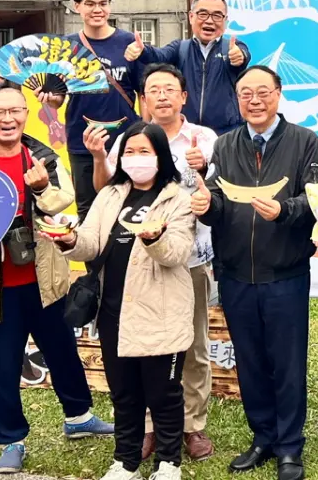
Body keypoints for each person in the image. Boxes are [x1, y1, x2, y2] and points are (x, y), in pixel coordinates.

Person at [0, 84, 113, 473]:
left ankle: (79, 417)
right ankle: (10, 439)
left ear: (25, 114)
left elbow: (63, 201)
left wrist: (40, 188)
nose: (8, 119)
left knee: (62, 351)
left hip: (45, 278)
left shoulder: (43, 156)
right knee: (1, 366)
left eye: (15, 111)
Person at [190, 65, 318, 480]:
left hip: (285, 272)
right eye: (246, 93)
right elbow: (216, 200)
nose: (254, 100)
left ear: (279, 94)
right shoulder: (226, 145)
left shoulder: (305, 142)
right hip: (234, 274)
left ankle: (289, 447)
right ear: (238, 99)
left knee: (286, 363)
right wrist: (206, 206)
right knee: (249, 361)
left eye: (263, 91)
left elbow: (317, 200)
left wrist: (286, 210)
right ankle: (262, 437)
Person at [45, 121, 197, 480]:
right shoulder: (111, 194)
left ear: (160, 156)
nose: (136, 158)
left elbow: (176, 253)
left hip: (161, 311)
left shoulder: (178, 198)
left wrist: (154, 238)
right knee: (124, 392)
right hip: (114, 310)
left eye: (145, 151)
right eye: (130, 151)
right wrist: (68, 240)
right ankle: (125, 460)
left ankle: (168, 462)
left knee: (164, 393)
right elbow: (91, 242)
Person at [90, 63, 219, 463]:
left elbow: (217, 197)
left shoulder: (205, 138)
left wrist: (201, 170)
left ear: (183, 96)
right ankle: (148, 428)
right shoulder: (127, 138)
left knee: (189, 344)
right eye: (153, 90)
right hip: (131, 267)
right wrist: (98, 156)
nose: (161, 96)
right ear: (143, 98)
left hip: (189, 258)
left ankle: (191, 426)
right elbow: (108, 190)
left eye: (169, 89)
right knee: (138, 345)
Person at [40, 0, 141, 220]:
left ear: (110, 7)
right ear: (77, 7)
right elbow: (58, 99)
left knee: (129, 206)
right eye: (90, 4)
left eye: (103, 4)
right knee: (88, 209)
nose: (97, 9)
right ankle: (93, 258)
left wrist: (146, 131)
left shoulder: (128, 43)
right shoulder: (66, 46)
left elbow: (143, 91)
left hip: (125, 140)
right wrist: (49, 98)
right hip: (82, 139)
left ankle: (124, 258)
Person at [124, 0, 251, 135]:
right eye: (203, 14)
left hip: (227, 134)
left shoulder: (232, 47)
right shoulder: (180, 48)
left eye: (217, 16)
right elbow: (158, 56)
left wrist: (239, 56)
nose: (209, 21)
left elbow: (242, 55)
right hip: (187, 133)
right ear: (191, 17)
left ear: (225, 20)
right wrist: (142, 50)